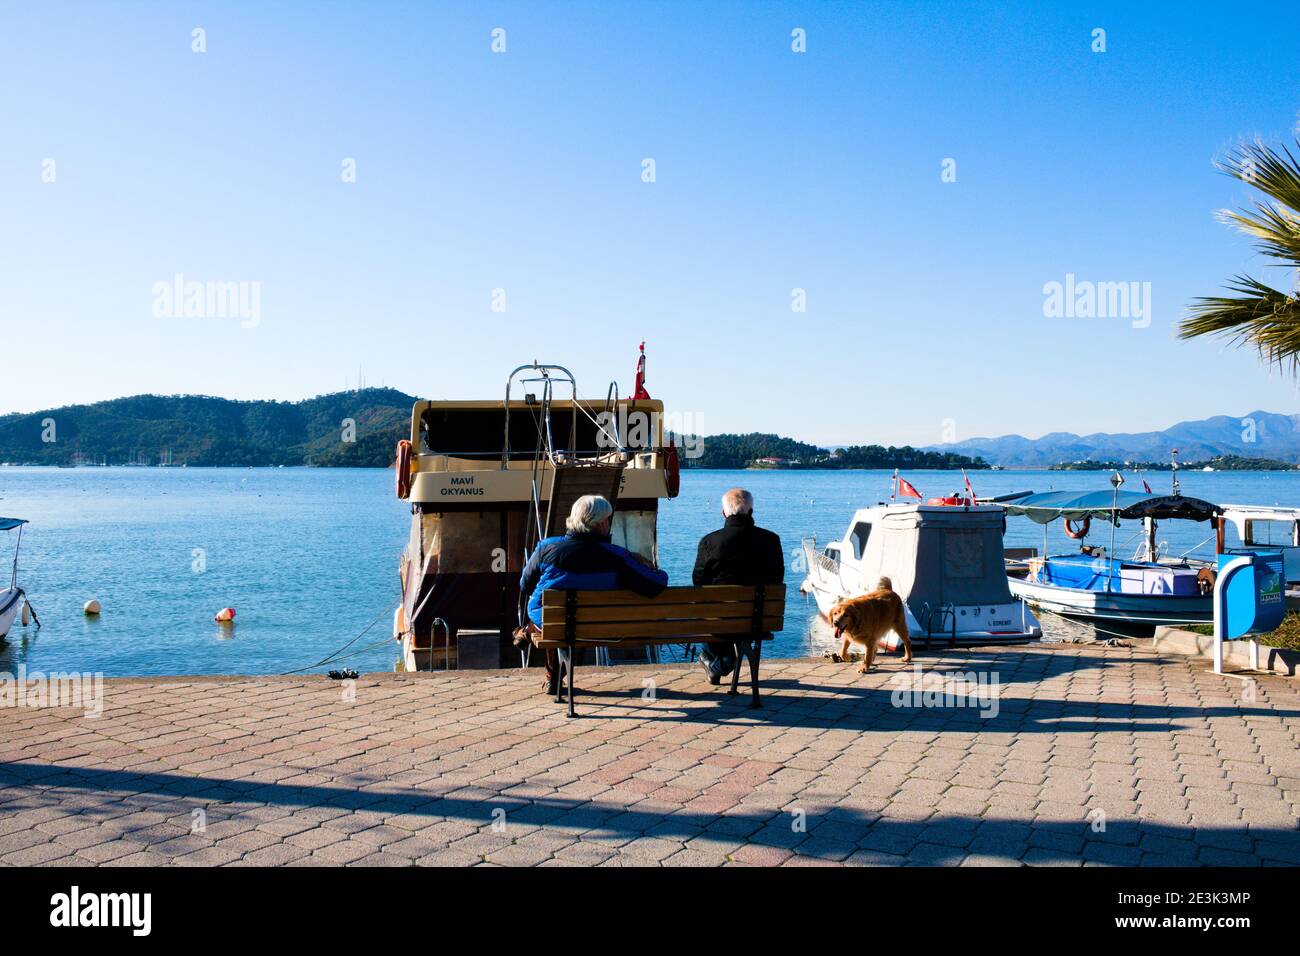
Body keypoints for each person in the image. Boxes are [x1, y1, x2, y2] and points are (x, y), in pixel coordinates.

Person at [519, 495, 668, 694]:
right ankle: (532, 639)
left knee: (555, 618)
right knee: (570, 621)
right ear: (599, 525)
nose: (609, 525)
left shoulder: (546, 547)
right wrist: (651, 567)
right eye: (607, 520)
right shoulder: (617, 557)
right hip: (596, 624)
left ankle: (528, 634)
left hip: (551, 621)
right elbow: (655, 585)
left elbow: (525, 584)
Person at [692, 487, 785, 683]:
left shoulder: (710, 541)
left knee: (713, 614)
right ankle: (721, 663)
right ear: (751, 511)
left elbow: (698, 582)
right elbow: (777, 579)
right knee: (733, 624)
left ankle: (718, 665)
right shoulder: (771, 540)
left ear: (723, 512)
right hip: (759, 622)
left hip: (719, 621)